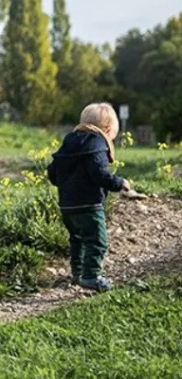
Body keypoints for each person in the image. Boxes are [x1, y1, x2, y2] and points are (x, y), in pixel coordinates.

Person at [47, 102, 130, 292]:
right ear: (107, 129)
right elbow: (98, 173)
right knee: (97, 241)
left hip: (67, 206)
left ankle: (78, 274)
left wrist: (68, 186)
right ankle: (91, 276)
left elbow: (52, 172)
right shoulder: (97, 143)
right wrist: (119, 183)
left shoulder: (69, 143)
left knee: (77, 239)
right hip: (89, 205)